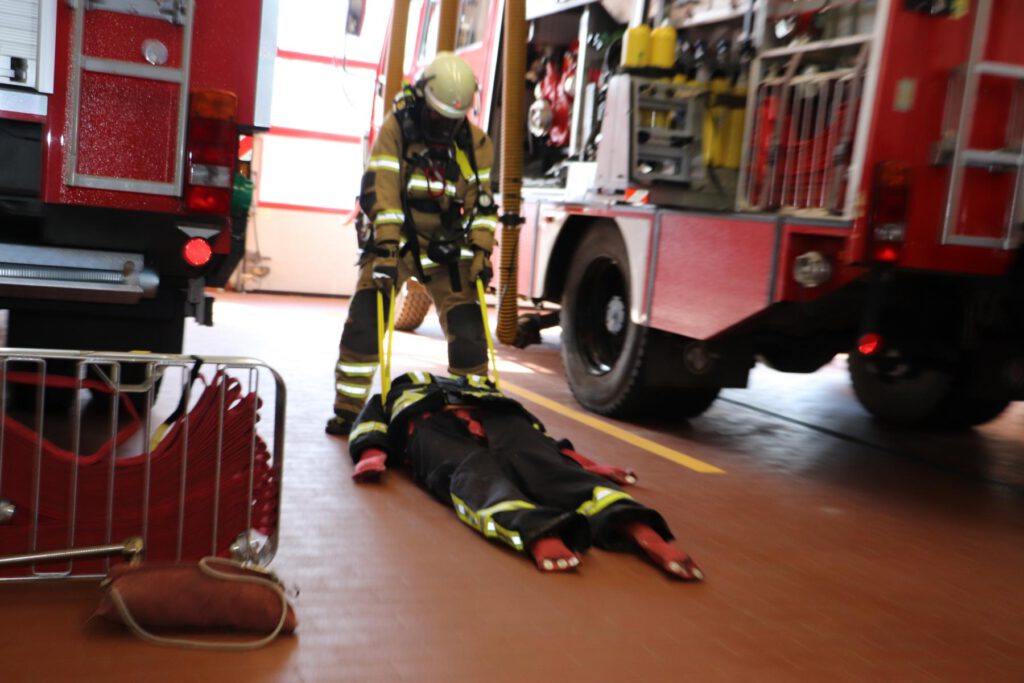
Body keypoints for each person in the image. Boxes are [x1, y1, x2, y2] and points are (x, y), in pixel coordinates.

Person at [347, 371, 704, 580]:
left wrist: (588, 464)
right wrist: (371, 455)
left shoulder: (483, 388)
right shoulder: (393, 394)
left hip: (498, 418)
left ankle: (637, 527)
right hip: (430, 428)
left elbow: (541, 441)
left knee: (547, 466)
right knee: (474, 474)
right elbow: (369, 425)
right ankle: (536, 532)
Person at [327, 53, 498, 436]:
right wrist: (387, 250)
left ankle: (473, 410)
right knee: (366, 319)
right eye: (439, 117)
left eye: (453, 119)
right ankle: (347, 410)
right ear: (422, 100)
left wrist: (480, 252)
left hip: (447, 245)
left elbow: (483, 205)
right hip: (399, 241)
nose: (445, 126)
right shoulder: (397, 130)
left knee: (469, 329)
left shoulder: (476, 144)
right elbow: (383, 189)